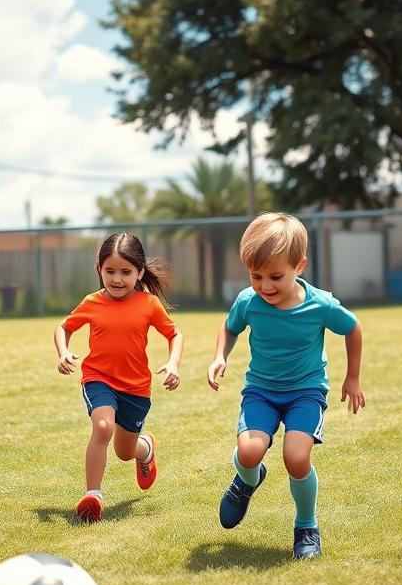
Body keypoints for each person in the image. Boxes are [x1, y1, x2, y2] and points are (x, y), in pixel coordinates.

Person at [207, 212, 365, 559]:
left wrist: (352, 377)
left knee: (296, 458)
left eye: (275, 276)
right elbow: (230, 327)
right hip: (261, 391)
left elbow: (352, 328)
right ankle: (247, 480)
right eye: (255, 276)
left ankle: (306, 525)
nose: (264, 286)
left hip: (306, 393)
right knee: (249, 453)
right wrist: (221, 356)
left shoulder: (320, 304)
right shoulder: (249, 301)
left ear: (300, 265)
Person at [54, 231, 183, 522]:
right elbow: (64, 327)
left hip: (136, 389)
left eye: (125, 272)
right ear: (99, 269)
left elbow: (174, 333)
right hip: (98, 378)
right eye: (109, 271)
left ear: (139, 272)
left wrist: (174, 363)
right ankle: (93, 495)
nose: (116, 279)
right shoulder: (92, 302)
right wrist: (63, 352)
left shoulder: (149, 304)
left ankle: (145, 449)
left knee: (125, 451)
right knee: (102, 427)